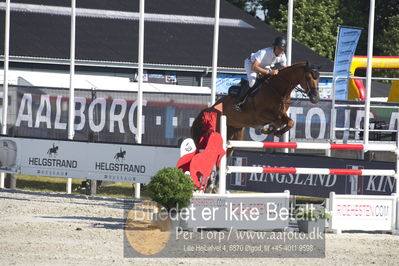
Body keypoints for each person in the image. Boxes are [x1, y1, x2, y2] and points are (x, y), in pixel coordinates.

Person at [233, 36, 288, 112]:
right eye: (279, 48)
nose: (280, 51)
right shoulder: (265, 52)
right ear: (274, 46)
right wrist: (269, 72)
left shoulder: (282, 56)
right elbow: (254, 67)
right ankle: (239, 102)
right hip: (251, 63)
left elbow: (285, 68)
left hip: (265, 65)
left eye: (282, 49)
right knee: (252, 83)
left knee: (271, 80)